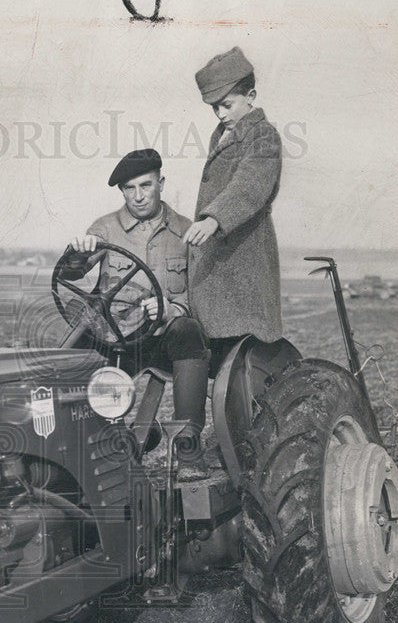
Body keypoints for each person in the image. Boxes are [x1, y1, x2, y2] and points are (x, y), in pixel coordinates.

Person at [70, 148, 211, 475]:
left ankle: (188, 447)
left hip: (164, 342)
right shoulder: (104, 229)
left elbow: (199, 293)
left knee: (189, 331)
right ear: (122, 192)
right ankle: (88, 451)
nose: (138, 196)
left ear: (161, 182)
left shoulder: (186, 233)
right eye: (129, 189)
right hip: (116, 341)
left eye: (145, 186)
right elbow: (76, 271)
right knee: (70, 356)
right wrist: (78, 252)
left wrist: (170, 310)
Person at [184, 47, 284, 360]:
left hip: (245, 257)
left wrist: (213, 219)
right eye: (215, 108)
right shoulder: (225, 134)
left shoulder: (263, 136)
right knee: (220, 347)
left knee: (244, 350)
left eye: (227, 105)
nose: (221, 114)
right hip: (224, 258)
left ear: (250, 96)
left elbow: (249, 186)